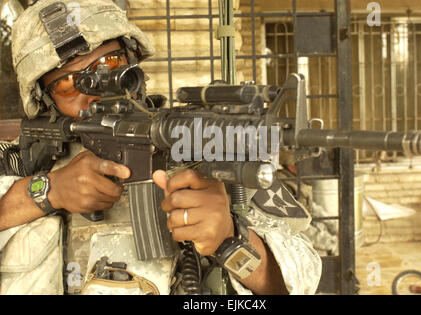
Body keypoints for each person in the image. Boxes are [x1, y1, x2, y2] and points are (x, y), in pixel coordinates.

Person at [0, 0, 321, 295]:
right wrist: (47, 191)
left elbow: (300, 280)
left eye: (110, 62)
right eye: (68, 83)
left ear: (132, 63)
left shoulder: (213, 147)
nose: (97, 90)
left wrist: (229, 239)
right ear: (46, 102)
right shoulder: (27, 159)